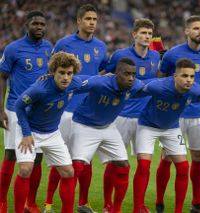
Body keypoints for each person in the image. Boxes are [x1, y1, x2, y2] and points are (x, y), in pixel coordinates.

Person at [44, 4, 108, 213]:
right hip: (66, 111)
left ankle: (83, 203)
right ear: (78, 21)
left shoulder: (101, 47)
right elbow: (52, 71)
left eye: (94, 19)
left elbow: (102, 73)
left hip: (88, 112)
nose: (91, 22)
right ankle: (48, 203)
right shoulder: (64, 43)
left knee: (84, 160)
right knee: (60, 159)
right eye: (88, 18)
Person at [133, 58, 200, 213]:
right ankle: (138, 208)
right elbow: (136, 88)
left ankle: (178, 210)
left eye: (191, 76)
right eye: (184, 76)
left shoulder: (196, 90)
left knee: (184, 167)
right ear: (174, 76)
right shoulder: (158, 86)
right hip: (148, 125)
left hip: (171, 128)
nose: (189, 80)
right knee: (143, 165)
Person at [155, 15, 200, 213]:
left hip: (198, 114)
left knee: (198, 157)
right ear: (187, 31)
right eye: (196, 28)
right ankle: (159, 200)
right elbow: (162, 77)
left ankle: (197, 202)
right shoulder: (173, 54)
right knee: (166, 157)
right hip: (175, 115)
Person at [70, 58, 147, 213]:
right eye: (126, 74)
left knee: (123, 166)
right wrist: (49, 80)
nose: (131, 78)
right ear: (116, 73)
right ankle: (70, 207)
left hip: (108, 127)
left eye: (133, 74)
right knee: (76, 167)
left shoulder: (135, 85)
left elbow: (154, 86)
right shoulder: (99, 82)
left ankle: (115, 210)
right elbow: (73, 83)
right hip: (84, 124)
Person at [13, 52, 82, 213]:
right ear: (53, 72)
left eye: (69, 73)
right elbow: (19, 105)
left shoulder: (74, 83)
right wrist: (26, 133)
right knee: (25, 169)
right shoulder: (39, 89)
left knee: (68, 172)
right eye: (61, 73)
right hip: (29, 131)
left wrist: (109, 76)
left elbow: (92, 81)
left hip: (52, 133)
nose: (66, 77)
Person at [103, 18, 160, 212]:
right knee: (114, 163)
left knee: (144, 165)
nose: (146, 36)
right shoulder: (120, 55)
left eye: (150, 34)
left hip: (146, 118)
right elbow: (105, 75)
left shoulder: (155, 57)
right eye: (143, 33)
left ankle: (139, 206)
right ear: (134, 35)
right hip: (122, 115)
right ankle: (107, 204)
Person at [0, 10, 52, 213]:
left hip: (38, 112)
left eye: (42, 24)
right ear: (27, 25)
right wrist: (0, 110)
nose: (39, 27)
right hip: (14, 108)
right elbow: (2, 77)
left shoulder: (49, 48)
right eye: (35, 24)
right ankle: (2, 202)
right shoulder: (13, 48)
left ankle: (30, 202)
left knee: (37, 158)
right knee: (11, 155)